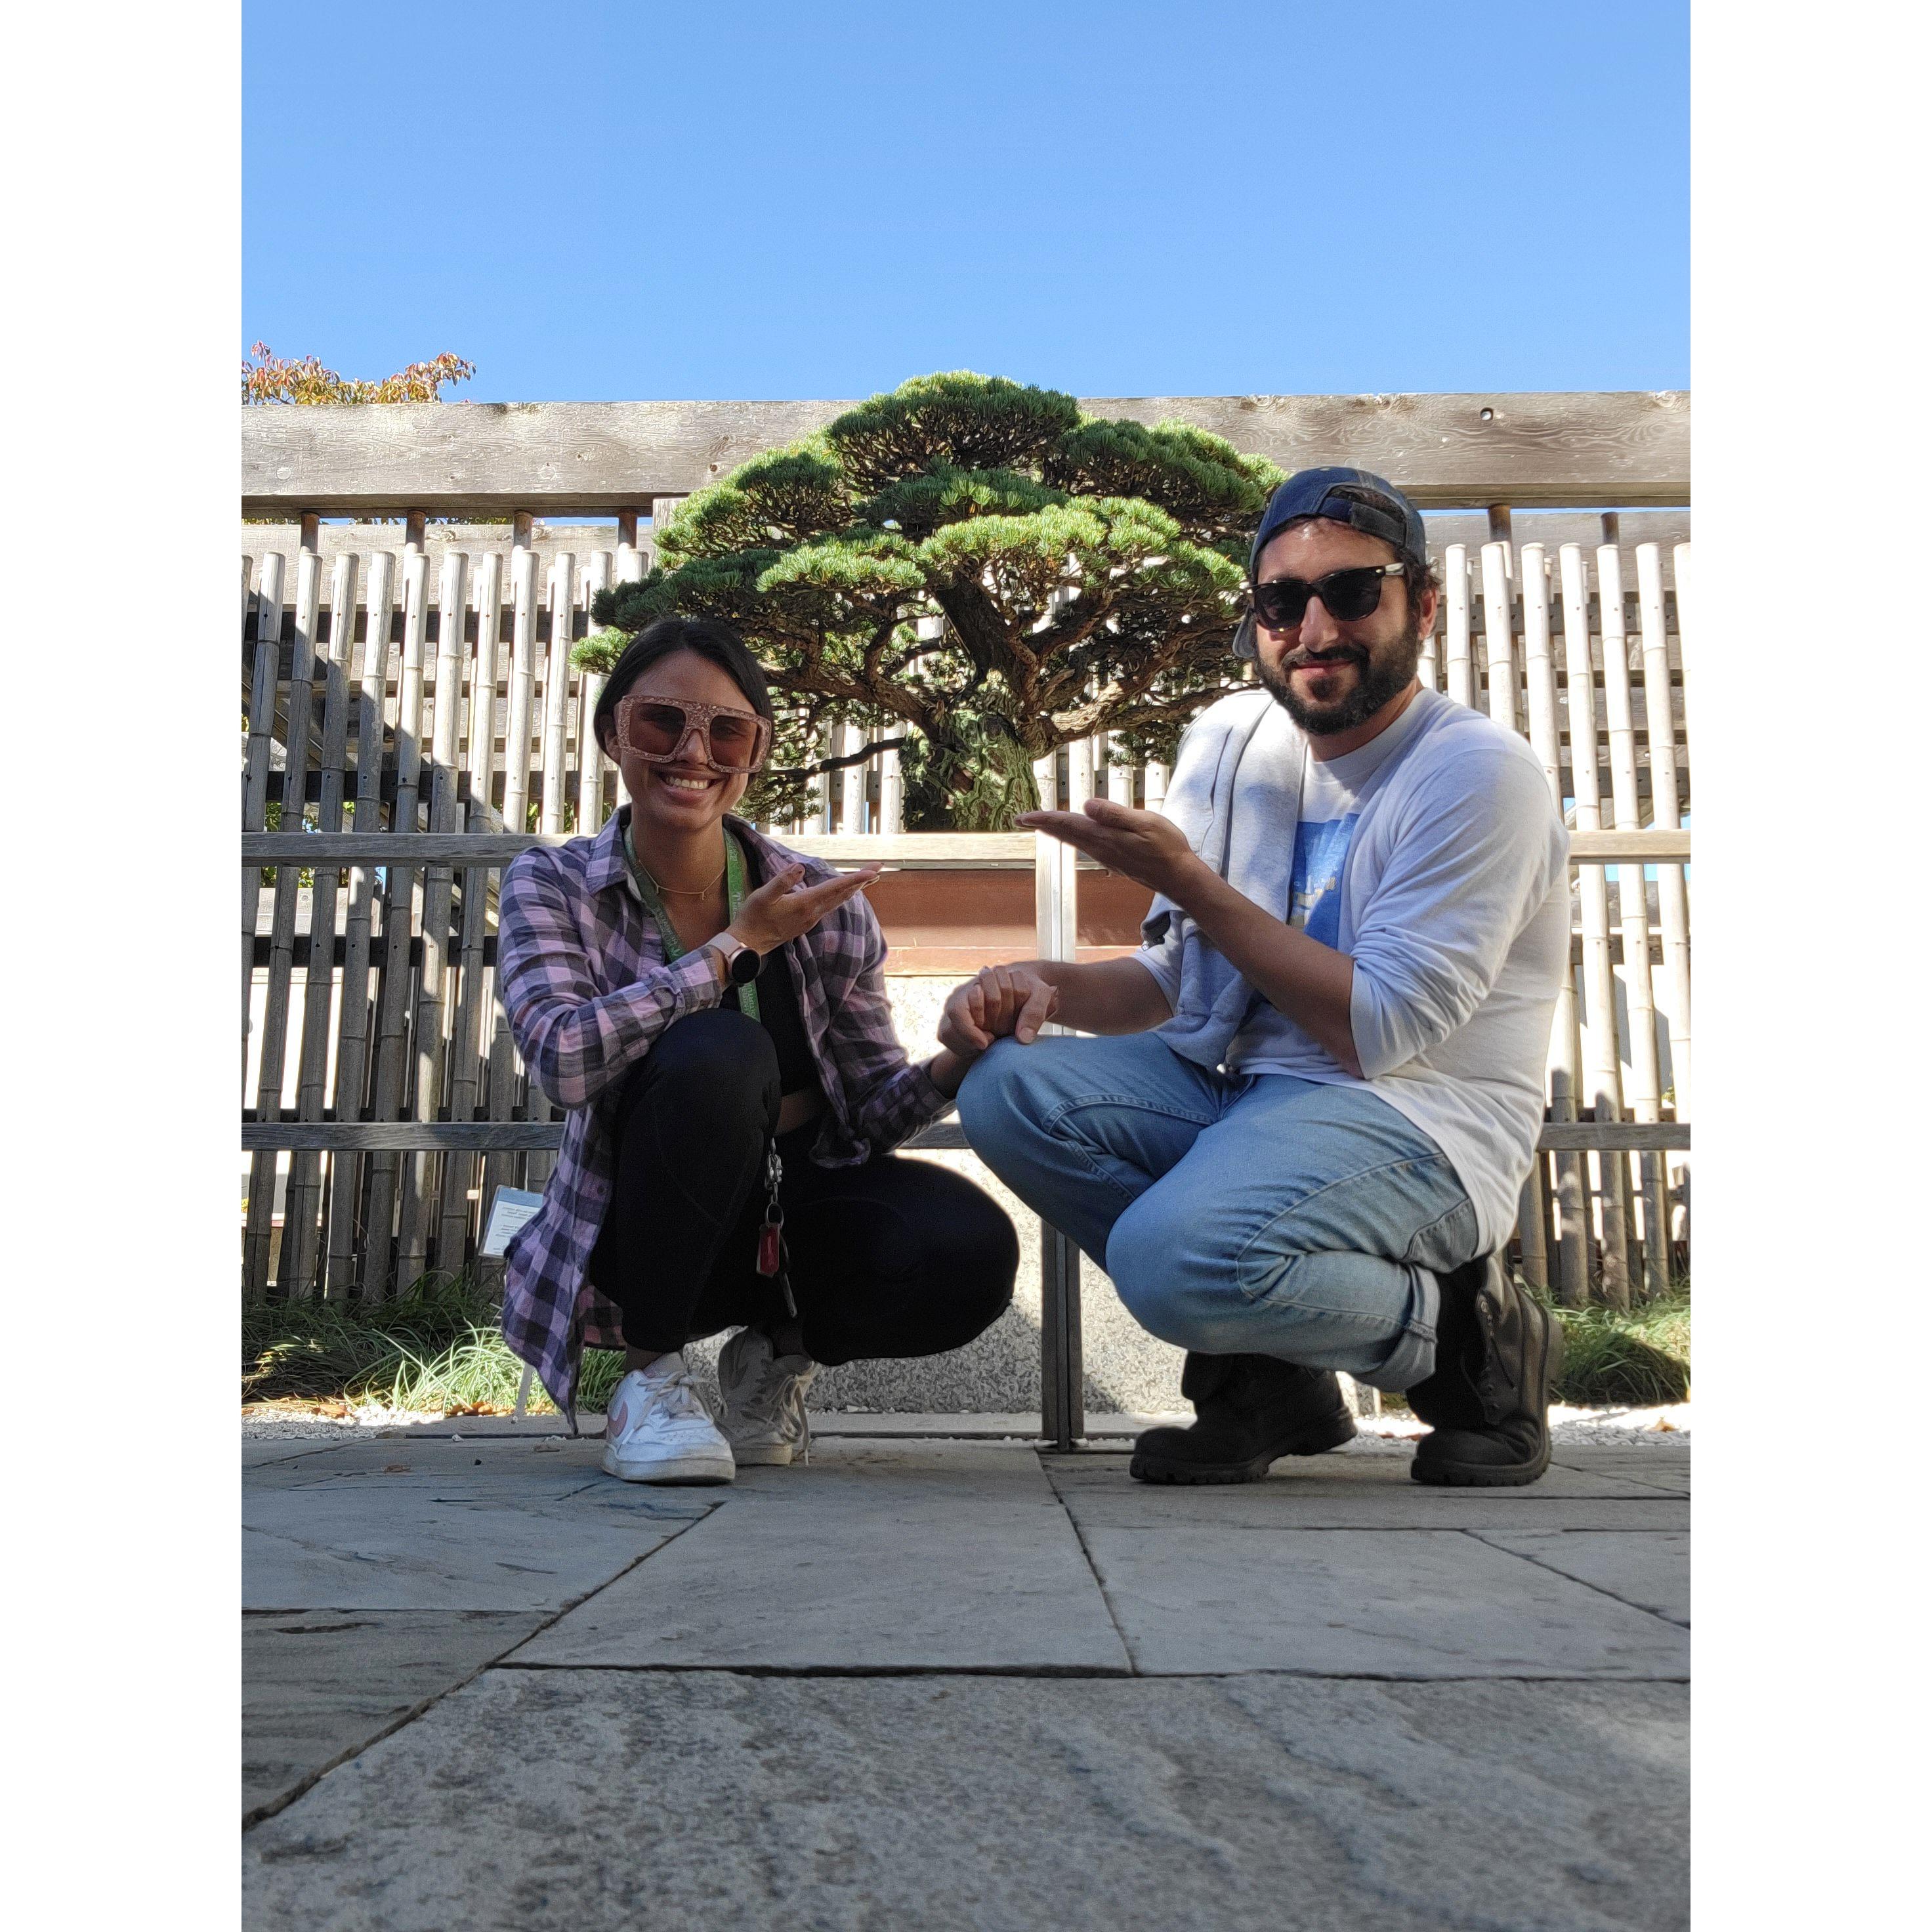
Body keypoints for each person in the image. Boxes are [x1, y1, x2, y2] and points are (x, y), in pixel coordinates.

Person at [947, 467, 1572, 1488]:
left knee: (1169, 1261)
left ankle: (1464, 1334)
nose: (1315, 626)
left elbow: (1378, 1032)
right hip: (1247, 1094)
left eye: (1352, 591)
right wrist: (1030, 980)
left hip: (1417, 1117)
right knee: (1011, 1090)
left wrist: (1191, 881)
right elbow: (1180, 981)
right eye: (1282, 600)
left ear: (1422, 603)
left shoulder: (1475, 775)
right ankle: (1269, 1378)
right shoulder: (1234, 742)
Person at [497, 616, 1017, 1484]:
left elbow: (868, 1114)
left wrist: (957, 1057)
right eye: (663, 722)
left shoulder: (823, 902)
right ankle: (651, 1380)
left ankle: (772, 1358)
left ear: (755, 750)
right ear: (614, 732)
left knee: (968, 1249)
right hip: (645, 1227)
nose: (693, 752)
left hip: (794, 1213)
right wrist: (733, 952)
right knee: (720, 1051)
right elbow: (562, 1059)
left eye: (727, 730)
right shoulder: (551, 883)